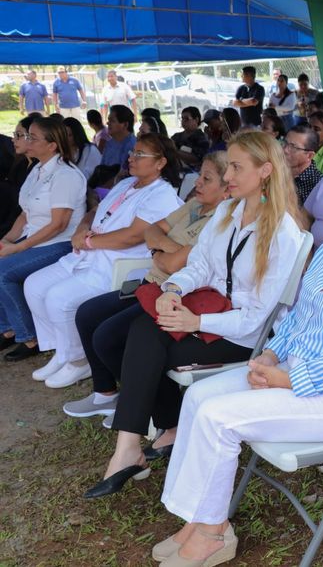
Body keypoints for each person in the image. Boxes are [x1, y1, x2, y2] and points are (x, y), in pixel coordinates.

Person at [146, 153, 323, 567]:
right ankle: (198, 520)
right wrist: (272, 355)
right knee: (198, 399)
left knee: (219, 418)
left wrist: (284, 380)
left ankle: (212, 533)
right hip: (293, 369)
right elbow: (298, 316)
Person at [83, 131, 304, 500]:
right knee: (139, 333)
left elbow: (255, 319)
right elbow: (199, 266)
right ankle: (137, 444)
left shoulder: (284, 233)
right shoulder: (228, 211)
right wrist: (174, 290)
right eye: (228, 165)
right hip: (207, 312)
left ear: (265, 170)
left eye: (236, 166)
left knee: (142, 338)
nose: (228, 175)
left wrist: (196, 323)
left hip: (241, 337)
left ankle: (134, 447)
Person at [62, 152, 230, 427]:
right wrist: (161, 249)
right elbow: (152, 230)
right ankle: (106, 394)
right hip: (150, 283)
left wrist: (162, 250)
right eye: (199, 175)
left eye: (206, 178)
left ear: (227, 190)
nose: (197, 183)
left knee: (108, 337)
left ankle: (149, 404)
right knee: (87, 314)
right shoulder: (194, 206)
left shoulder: (217, 221)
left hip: (176, 295)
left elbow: (176, 264)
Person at [23, 133, 182, 387]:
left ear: (160, 163)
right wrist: (81, 228)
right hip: (87, 255)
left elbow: (132, 237)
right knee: (33, 285)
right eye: (133, 153)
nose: (131, 157)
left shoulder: (161, 194)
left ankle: (78, 360)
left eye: (140, 154)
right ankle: (64, 352)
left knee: (58, 298)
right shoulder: (126, 184)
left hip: (117, 264)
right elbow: (96, 210)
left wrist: (88, 242)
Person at [0, 118, 87, 362]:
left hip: (59, 244)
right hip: (35, 239)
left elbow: (58, 224)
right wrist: (6, 240)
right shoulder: (37, 169)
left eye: (33, 137)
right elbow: (25, 213)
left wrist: (18, 248)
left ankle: (30, 337)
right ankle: (8, 328)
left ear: (52, 146)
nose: (27, 141)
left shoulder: (65, 175)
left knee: (2, 271)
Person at [0, 117, 38, 239]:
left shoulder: (41, 169)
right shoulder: (21, 165)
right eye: (14, 135)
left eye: (18, 135)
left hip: (22, 229)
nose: (13, 140)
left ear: (32, 137)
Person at [283, 124, 323, 205]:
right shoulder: (276, 172)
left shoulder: (318, 185)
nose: (285, 150)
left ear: (309, 155)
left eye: (293, 147)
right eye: (285, 143)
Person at [100, 105, 136, 175]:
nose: (108, 123)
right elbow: (101, 168)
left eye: (112, 121)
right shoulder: (109, 143)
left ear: (125, 125)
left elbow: (123, 175)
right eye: (108, 120)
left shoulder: (133, 145)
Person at [171, 107, 210, 172]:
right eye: (182, 118)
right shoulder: (176, 136)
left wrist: (175, 152)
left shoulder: (202, 138)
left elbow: (198, 158)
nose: (183, 121)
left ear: (196, 120)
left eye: (186, 119)